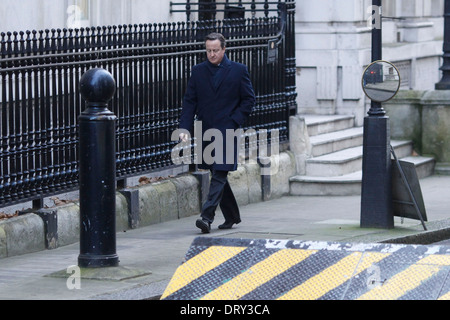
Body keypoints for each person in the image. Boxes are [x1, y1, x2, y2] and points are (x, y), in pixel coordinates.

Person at [178, 32, 255, 233]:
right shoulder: (198, 71)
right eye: (208, 50)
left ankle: (206, 217)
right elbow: (190, 101)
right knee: (216, 171)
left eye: (215, 50)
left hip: (227, 129)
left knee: (220, 172)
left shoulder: (239, 71)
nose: (211, 54)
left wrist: (234, 121)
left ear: (224, 49)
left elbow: (249, 99)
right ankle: (232, 215)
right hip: (206, 130)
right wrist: (184, 128)